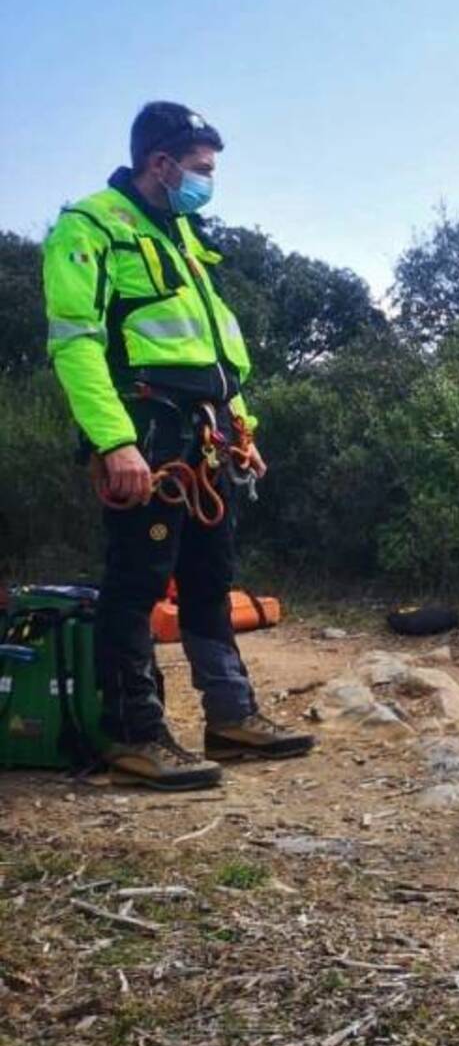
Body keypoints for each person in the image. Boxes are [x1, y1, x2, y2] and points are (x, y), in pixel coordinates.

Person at [42, 102, 313, 791]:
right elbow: (75, 344)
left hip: (207, 433)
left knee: (209, 581)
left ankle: (231, 718)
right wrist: (114, 443)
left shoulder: (184, 237)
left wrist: (241, 429)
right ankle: (136, 735)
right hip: (148, 434)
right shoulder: (91, 225)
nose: (207, 182)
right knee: (136, 584)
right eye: (200, 170)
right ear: (159, 163)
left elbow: (217, 354)